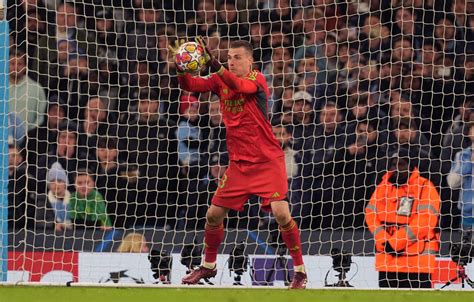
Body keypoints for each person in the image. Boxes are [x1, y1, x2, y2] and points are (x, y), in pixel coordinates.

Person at [170, 38, 307, 289]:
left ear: (250, 60)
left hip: (267, 160)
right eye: (229, 57)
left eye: (237, 57)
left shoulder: (257, 80)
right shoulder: (219, 79)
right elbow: (190, 84)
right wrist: (180, 67)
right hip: (239, 164)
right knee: (213, 214)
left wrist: (216, 65)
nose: (231, 61)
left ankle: (299, 270)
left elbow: (239, 86)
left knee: (281, 212)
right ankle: (208, 266)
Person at [365, 148, 440, 288]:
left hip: (416, 264)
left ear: (411, 166)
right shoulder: (383, 186)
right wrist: (383, 240)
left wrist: (395, 243)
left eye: (401, 164)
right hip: (388, 262)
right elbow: (370, 214)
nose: (397, 168)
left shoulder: (425, 187)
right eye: (394, 164)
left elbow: (425, 221)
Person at [447, 122, 474, 232]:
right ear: (469, 133)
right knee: (466, 248)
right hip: (467, 214)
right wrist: (468, 164)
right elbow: (452, 183)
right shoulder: (462, 155)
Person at [46, 162, 72, 232]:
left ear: (66, 183)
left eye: (60, 181)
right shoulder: (43, 200)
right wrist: (54, 225)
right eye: (52, 181)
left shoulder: (74, 199)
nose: (56, 184)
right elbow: (39, 222)